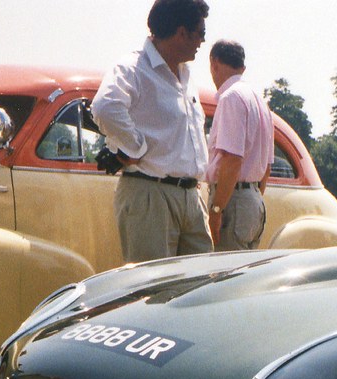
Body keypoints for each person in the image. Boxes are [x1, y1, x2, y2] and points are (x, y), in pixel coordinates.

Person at [91, 0, 212, 263]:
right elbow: (105, 106)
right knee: (152, 294)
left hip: (191, 197)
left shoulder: (185, 75)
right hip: (150, 195)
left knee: (200, 290)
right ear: (181, 32)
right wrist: (135, 148)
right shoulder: (133, 68)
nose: (202, 42)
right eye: (201, 33)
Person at [205, 40, 275, 250]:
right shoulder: (260, 102)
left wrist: (217, 210)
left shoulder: (231, 97)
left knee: (224, 277)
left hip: (232, 201)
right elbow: (267, 166)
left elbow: (232, 159)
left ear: (214, 63)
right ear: (242, 68)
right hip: (253, 200)